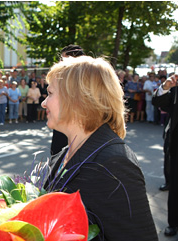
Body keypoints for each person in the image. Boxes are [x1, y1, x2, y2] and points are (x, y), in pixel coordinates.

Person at [42, 56, 158, 240]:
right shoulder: (64, 154)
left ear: (77, 99)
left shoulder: (113, 163)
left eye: (50, 93)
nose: (44, 102)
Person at [152, 75, 178, 236]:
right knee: (176, 189)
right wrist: (166, 87)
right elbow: (159, 102)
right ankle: (173, 223)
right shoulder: (175, 89)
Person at [50, 44, 85, 155]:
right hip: (63, 119)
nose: (60, 62)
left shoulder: (84, 76)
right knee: (58, 153)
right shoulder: (63, 75)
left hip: (74, 121)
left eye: (63, 58)